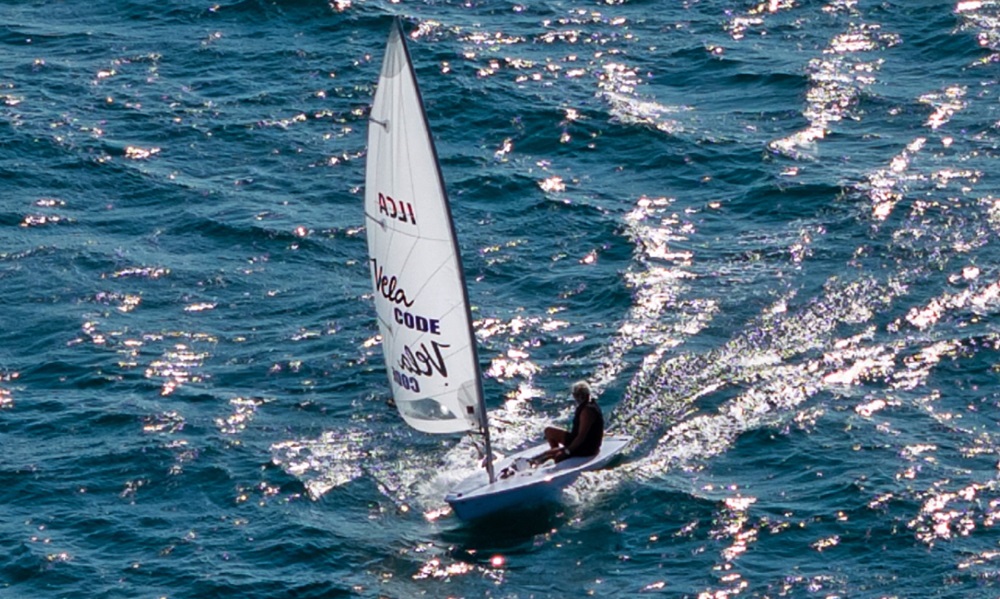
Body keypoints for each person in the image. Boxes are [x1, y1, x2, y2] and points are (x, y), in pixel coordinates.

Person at [533, 381, 604, 464]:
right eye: (578, 395)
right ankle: (555, 452)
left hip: (586, 448)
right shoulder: (587, 405)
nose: (579, 397)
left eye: (581, 395)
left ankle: (555, 456)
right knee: (549, 431)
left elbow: (581, 436)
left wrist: (567, 452)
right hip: (578, 440)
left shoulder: (587, 411)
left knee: (550, 455)